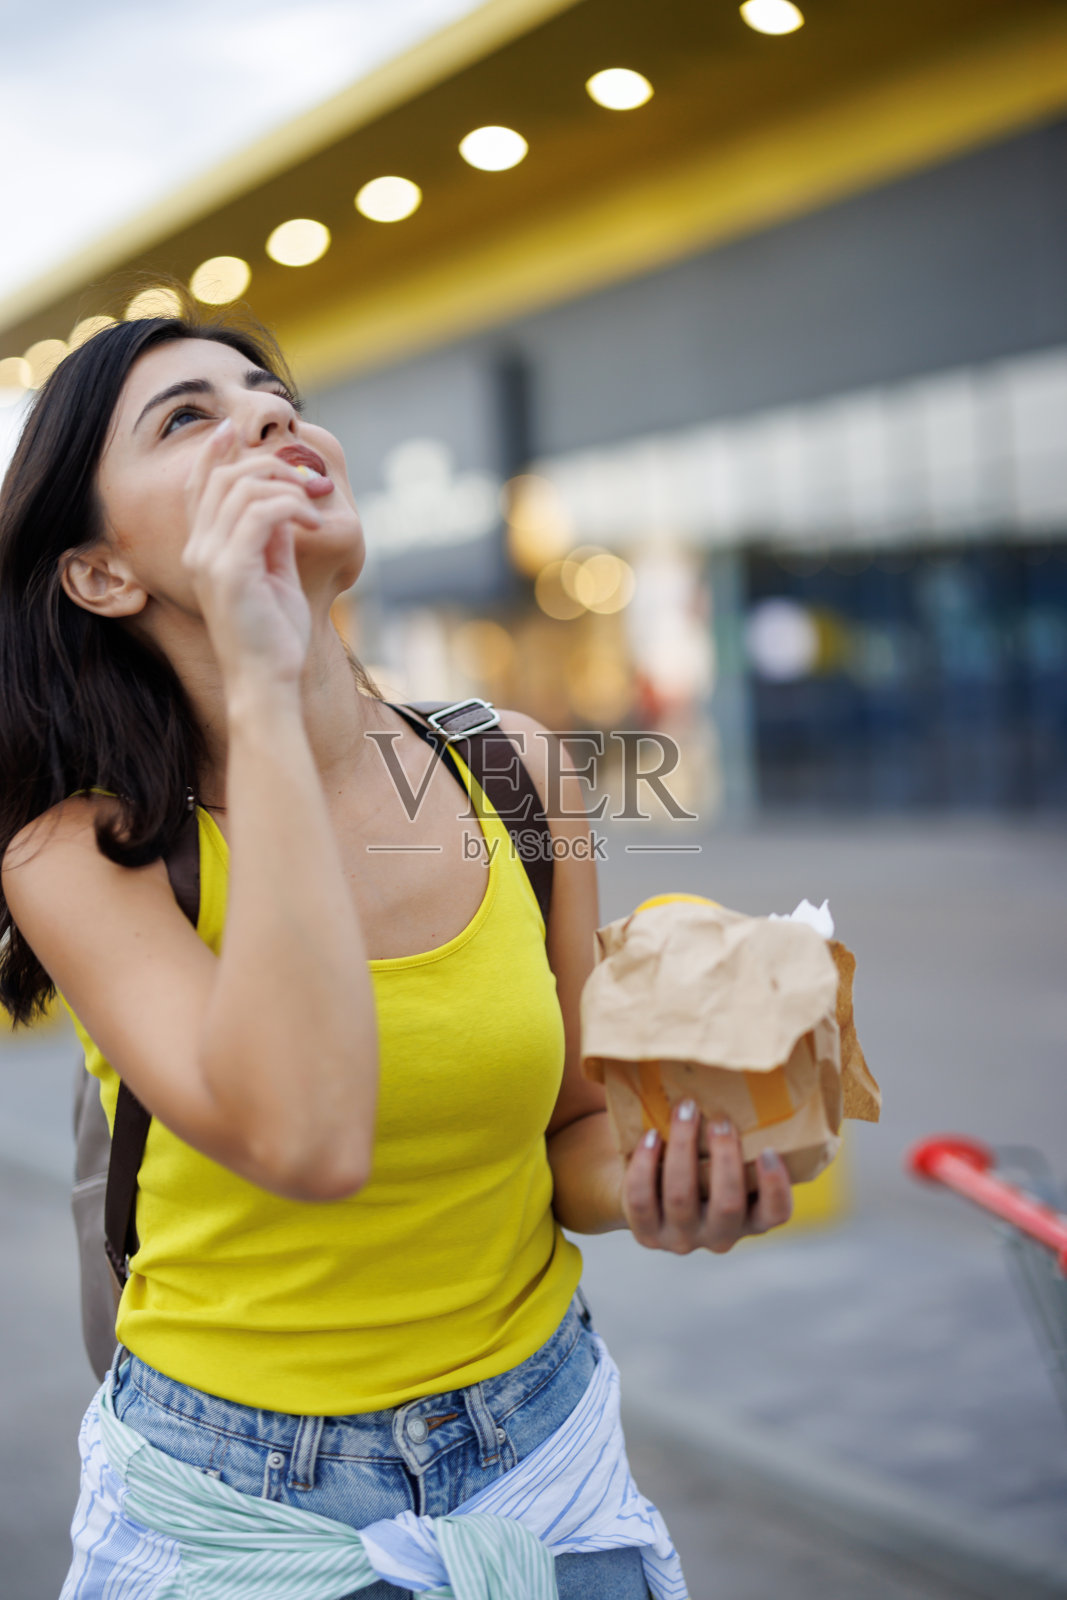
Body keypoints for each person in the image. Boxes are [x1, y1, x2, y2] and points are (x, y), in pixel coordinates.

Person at [0, 303, 794, 1599]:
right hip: (236, 1505)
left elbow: (576, 1133)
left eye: (272, 395)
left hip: (550, 1464)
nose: (268, 416)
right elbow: (311, 1143)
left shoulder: (515, 774)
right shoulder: (80, 853)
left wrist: (669, 1186)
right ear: (101, 573)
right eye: (188, 418)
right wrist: (262, 683)